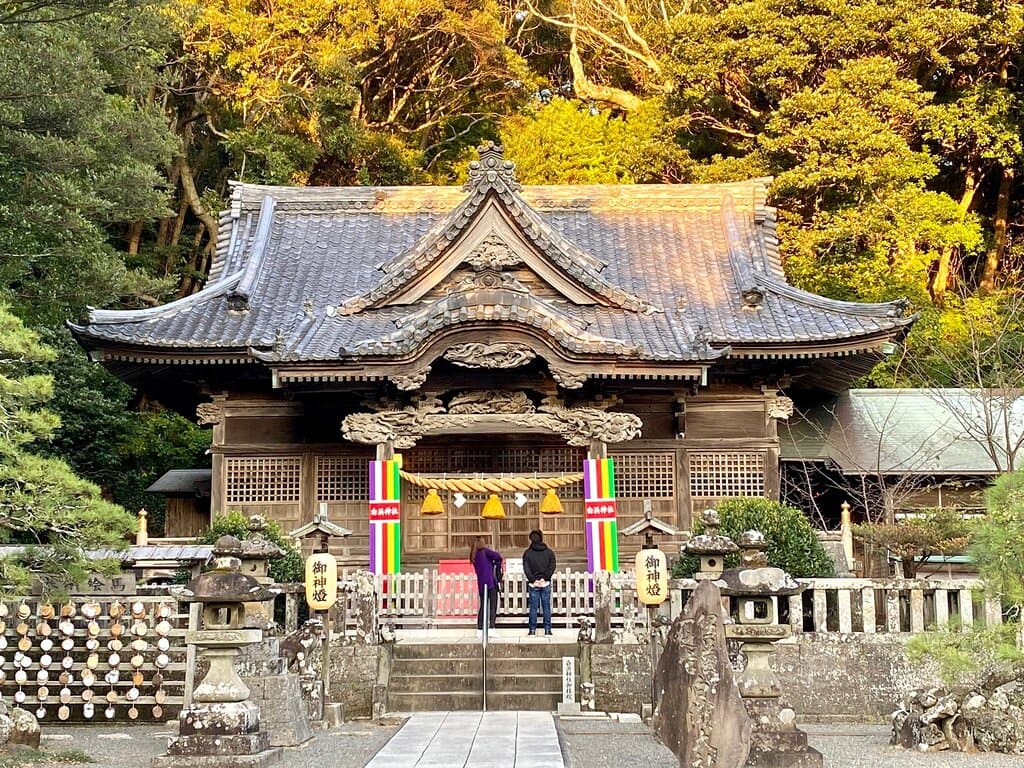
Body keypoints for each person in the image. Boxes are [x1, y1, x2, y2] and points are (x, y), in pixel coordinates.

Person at [522, 529, 556, 635]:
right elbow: (552, 566)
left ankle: (532, 630)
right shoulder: (549, 552)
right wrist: (545, 578)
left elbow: (526, 568)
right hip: (545, 583)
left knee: (533, 608)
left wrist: (533, 579)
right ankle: (548, 629)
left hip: (533, 584)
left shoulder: (527, 553)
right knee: (546, 607)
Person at [470, 537, 503, 631]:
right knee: (493, 605)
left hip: (481, 583)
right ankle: (492, 627)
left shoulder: (474, 555)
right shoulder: (485, 552)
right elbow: (498, 556)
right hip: (490, 582)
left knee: (483, 606)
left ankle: (480, 628)